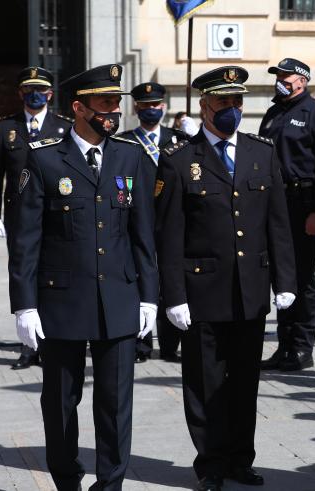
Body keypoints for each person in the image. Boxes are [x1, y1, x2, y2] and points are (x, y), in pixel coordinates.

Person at [8, 63, 159, 491]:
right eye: (105, 103)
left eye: (116, 104)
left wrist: (149, 296)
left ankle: (110, 484)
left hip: (119, 297)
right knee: (60, 402)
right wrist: (24, 303)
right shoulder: (43, 158)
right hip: (61, 301)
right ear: (78, 108)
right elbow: (26, 241)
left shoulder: (130, 156)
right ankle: (68, 481)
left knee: (115, 404)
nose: (113, 112)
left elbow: (143, 234)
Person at [154, 65, 298, 491]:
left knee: (244, 380)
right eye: (223, 102)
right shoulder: (180, 159)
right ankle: (211, 463)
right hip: (202, 290)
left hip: (250, 289)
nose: (232, 109)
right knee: (205, 381)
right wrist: (173, 295)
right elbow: (169, 234)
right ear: (204, 106)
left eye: (237, 102)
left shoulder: (261, 152)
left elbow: (278, 224)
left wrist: (285, 282)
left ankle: (240, 458)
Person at [0, 66, 73, 370]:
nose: (35, 95)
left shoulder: (64, 127)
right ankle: (28, 345)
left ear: (51, 93)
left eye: (41, 90)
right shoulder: (6, 127)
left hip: (52, 213)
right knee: (24, 274)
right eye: (28, 90)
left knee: (51, 275)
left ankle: (50, 338)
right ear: (20, 93)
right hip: (18, 215)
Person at [258, 58, 315, 372]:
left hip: (303, 203)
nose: (279, 79)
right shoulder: (274, 112)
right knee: (281, 276)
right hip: (274, 203)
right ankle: (284, 345)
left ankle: (303, 348)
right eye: (277, 75)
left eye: (285, 75)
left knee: (303, 278)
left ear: (302, 80)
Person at [117, 81, 189, 363]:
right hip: (138, 218)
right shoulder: (125, 141)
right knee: (140, 280)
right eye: (145, 106)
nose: (151, 110)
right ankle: (141, 344)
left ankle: (171, 345)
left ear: (164, 107)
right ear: (136, 108)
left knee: (172, 278)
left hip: (172, 218)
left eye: (156, 106)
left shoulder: (178, 139)